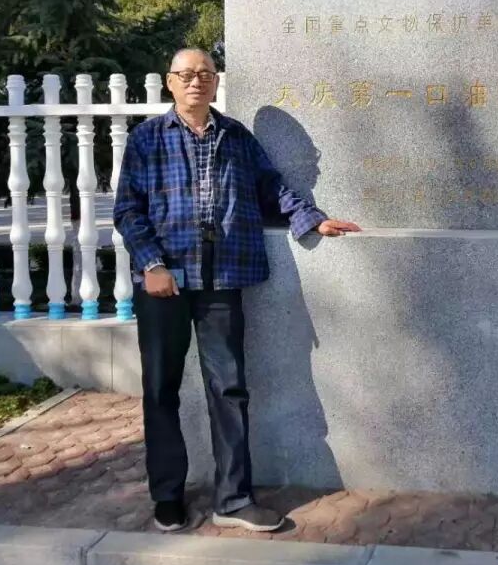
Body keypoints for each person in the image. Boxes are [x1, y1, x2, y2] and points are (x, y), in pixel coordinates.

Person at [112, 48, 360, 533]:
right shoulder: (147, 138)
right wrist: (153, 263)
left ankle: (233, 499)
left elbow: (272, 188)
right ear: (170, 82)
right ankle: (167, 495)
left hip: (222, 278)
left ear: (215, 81)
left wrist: (313, 219)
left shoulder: (236, 136)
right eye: (186, 74)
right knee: (160, 389)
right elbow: (128, 209)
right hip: (164, 282)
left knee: (229, 389)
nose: (196, 81)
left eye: (205, 73)